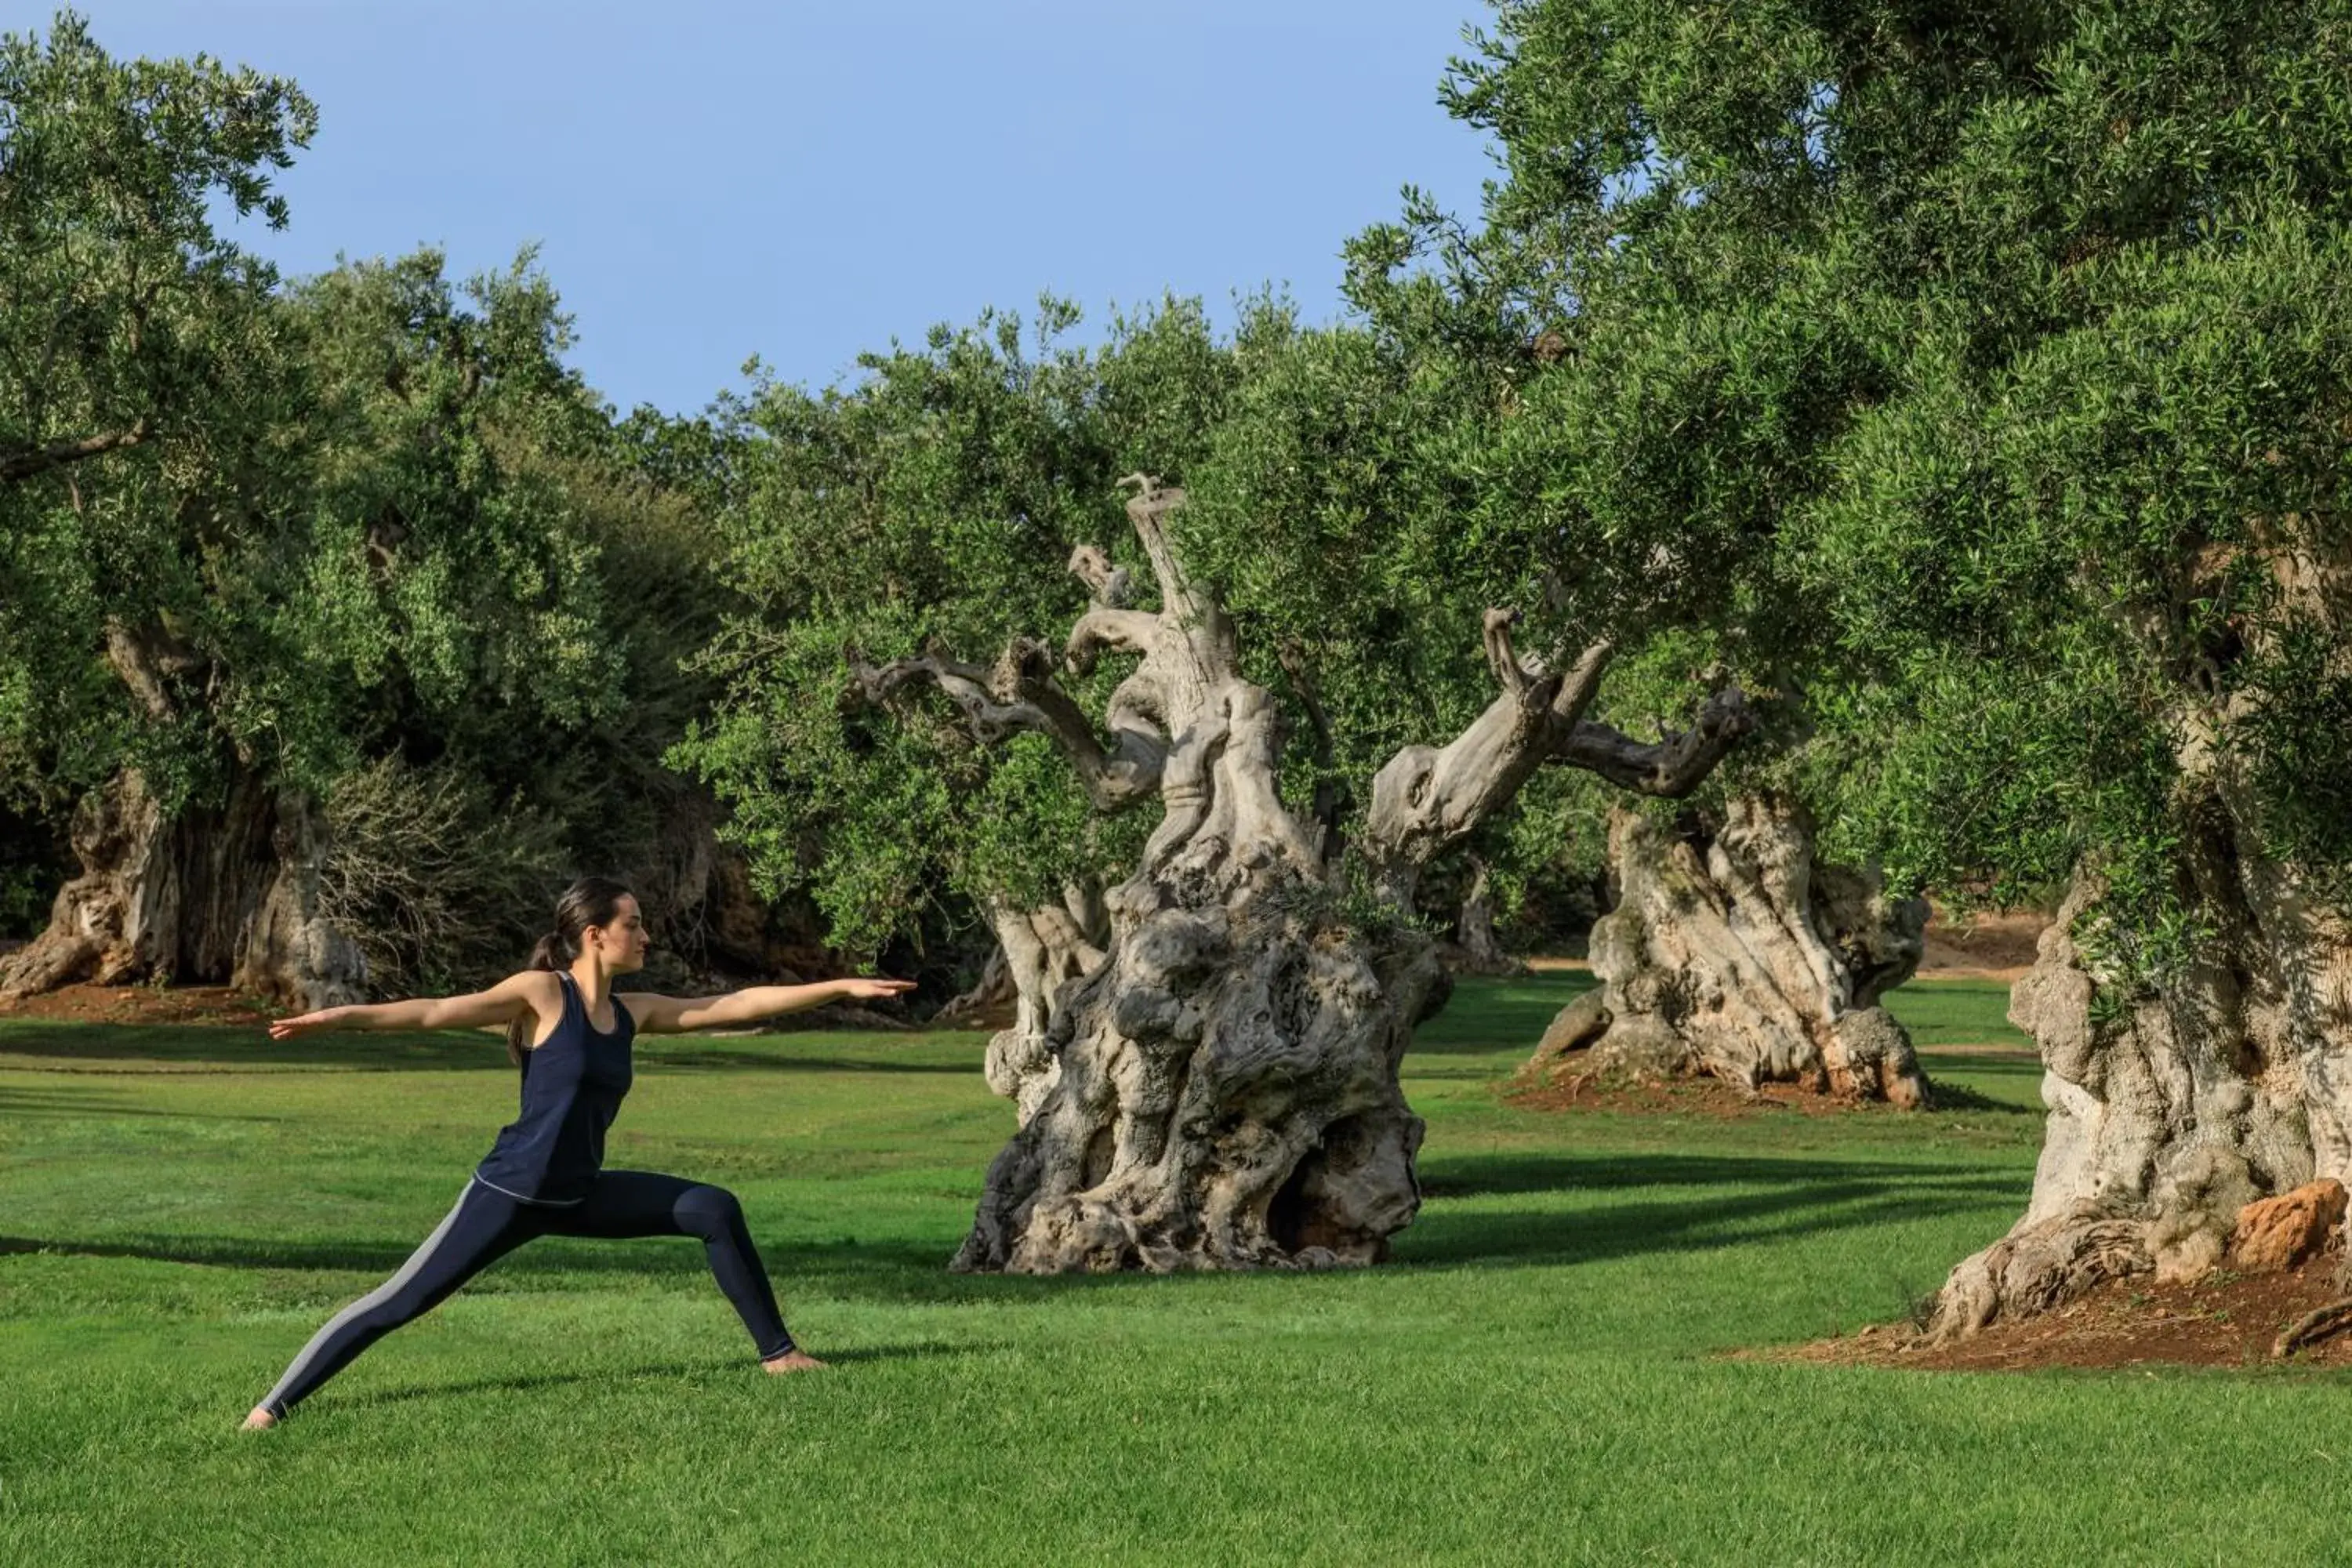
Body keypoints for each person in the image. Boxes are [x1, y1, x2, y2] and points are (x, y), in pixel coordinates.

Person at [240, 876, 913, 1430]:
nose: (646, 935)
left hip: (580, 1193)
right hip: (509, 1194)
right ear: (595, 935)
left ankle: (779, 1355)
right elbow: (436, 1012)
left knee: (713, 1207)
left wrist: (841, 987)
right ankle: (270, 1408)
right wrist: (337, 1017)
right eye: (635, 924)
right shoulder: (542, 994)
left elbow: (734, 1004)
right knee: (398, 1303)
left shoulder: (633, 1011)